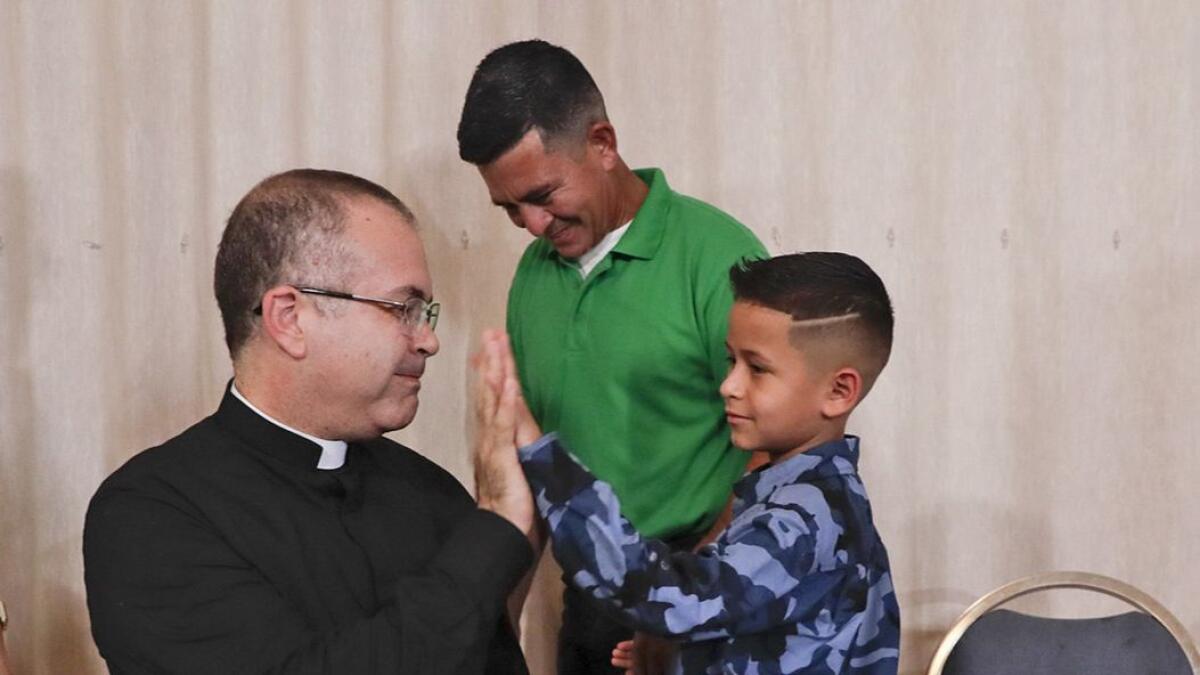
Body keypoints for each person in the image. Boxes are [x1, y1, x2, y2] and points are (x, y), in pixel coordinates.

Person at [83, 169, 536, 674]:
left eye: (423, 313)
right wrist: (494, 522)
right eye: (403, 308)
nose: (429, 340)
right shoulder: (151, 513)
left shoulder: (431, 492)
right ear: (290, 318)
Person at [457, 39, 768, 673]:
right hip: (592, 601)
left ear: (603, 143)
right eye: (509, 208)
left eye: (543, 194)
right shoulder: (533, 278)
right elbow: (537, 466)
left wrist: (683, 599)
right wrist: (497, 624)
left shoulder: (718, 258)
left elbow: (778, 453)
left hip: (704, 592)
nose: (531, 225)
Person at [478, 253, 901, 674]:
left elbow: (669, 597)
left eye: (757, 368)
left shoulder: (806, 515)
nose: (729, 385)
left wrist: (542, 456)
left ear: (839, 391)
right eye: (730, 360)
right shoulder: (797, 494)